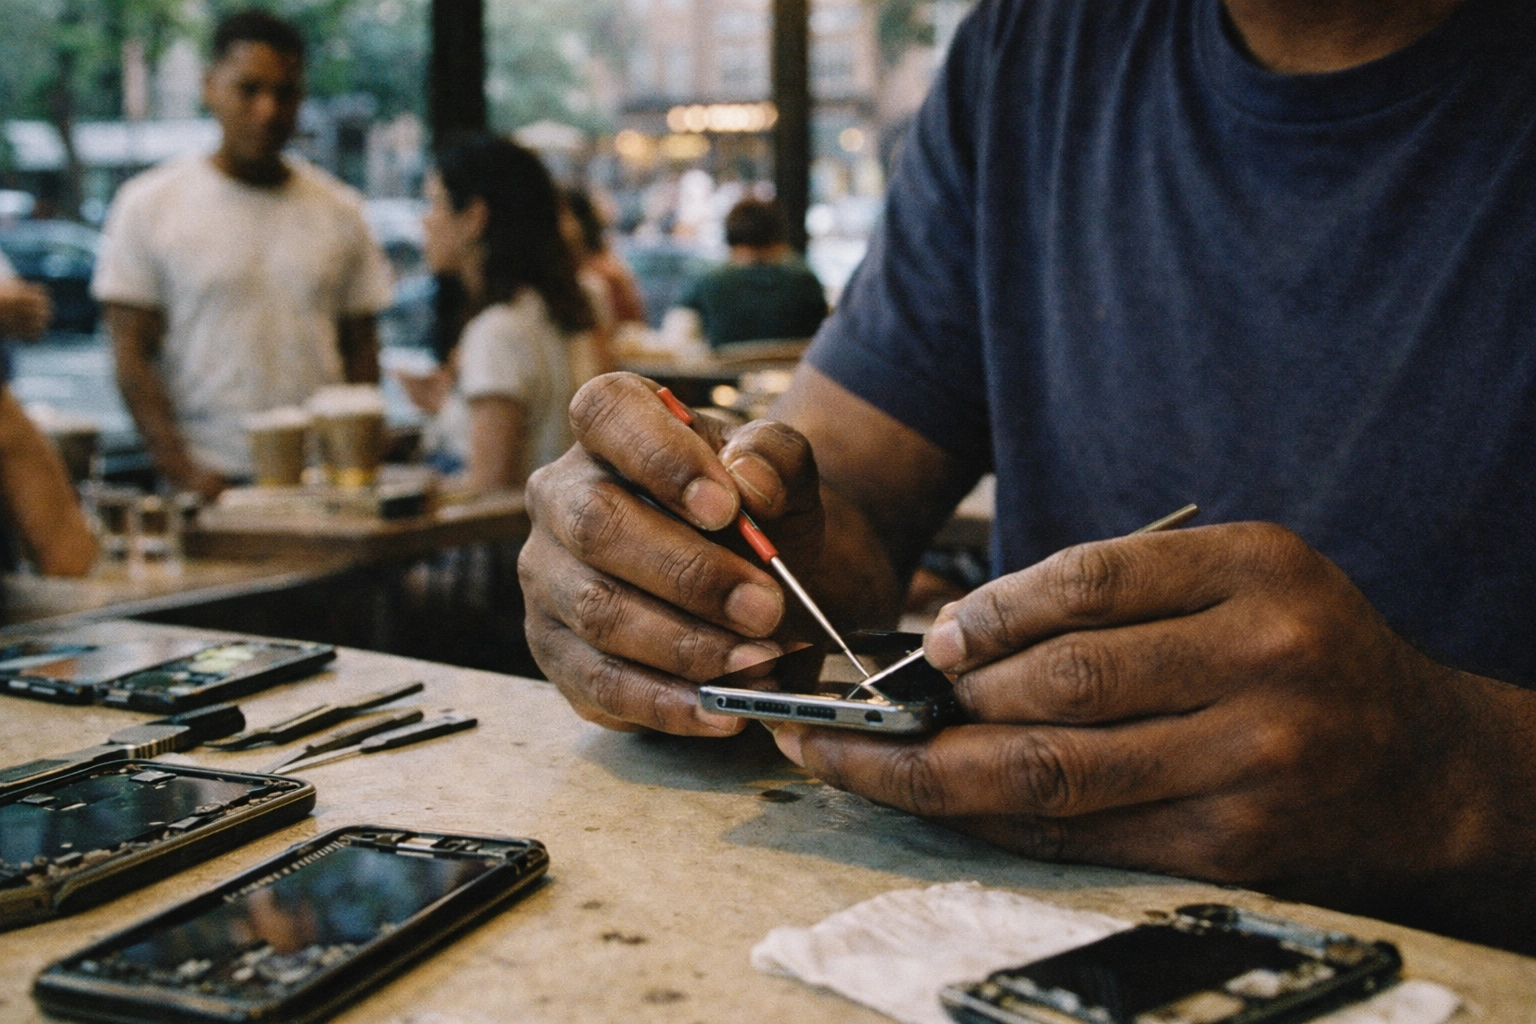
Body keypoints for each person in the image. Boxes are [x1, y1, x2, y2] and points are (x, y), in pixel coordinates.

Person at [518, 0, 1536, 954]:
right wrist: (705, 550)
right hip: (1021, 945)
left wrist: (1458, 780)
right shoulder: (1040, 43)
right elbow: (848, 493)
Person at [92, 9, 393, 498]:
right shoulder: (148, 204)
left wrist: (351, 454)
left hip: (323, 482)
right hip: (209, 476)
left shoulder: (341, 210)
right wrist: (179, 467)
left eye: (285, 92)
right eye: (249, 89)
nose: (267, 110)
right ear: (210, 86)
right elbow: (129, 354)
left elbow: (362, 349)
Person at [413, 137, 594, 492]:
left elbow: (490, 490)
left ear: (474, 218)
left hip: (515, 544)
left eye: (435, 203)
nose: (425, 222)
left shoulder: (497, 331)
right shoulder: (548, 310)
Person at [661, 198, 827, 349]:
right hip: (790, 378)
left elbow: (676, 337)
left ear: (729, 237)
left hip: (722, 380)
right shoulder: (806, 281)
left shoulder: (709, 282)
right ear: (778, 237)